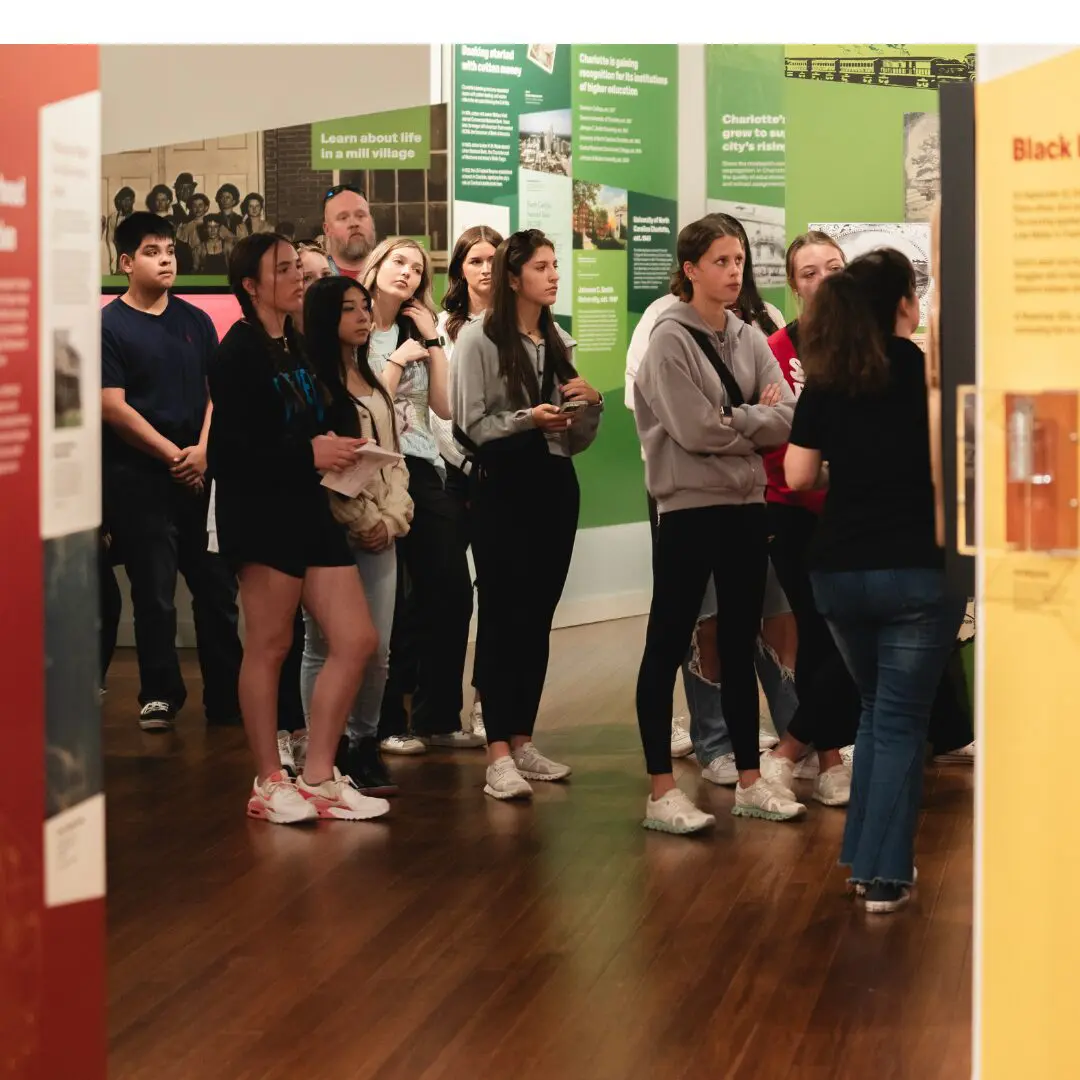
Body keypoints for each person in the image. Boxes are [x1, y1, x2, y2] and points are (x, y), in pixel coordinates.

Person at [785, 247, 966, 912]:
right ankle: (887, 878)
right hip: (919, 569)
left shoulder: (828, 377)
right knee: (896, 722)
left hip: (837, 572)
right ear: (905, 306)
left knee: (874, 714)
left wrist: (852, 477)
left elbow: (801, 476)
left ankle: (864, 860)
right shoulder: (929, 375)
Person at [207, 230, 389, 824]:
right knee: (270, 644)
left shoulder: (301, 346)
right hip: (260, 514)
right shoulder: (235, 353)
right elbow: (231, 453)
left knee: (357, 639)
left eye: (296, 267)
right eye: (284, 270)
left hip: (309, 509)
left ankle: (318, 776)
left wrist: (345, 446)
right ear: (251, 286)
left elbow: (323, 416)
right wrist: (309, 453)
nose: (297, 276)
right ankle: (267, 779)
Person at [633, 214, 801, 834]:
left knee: (739, 640)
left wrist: (740, 419)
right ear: (691, 269)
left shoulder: (750, 335)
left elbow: (790, 417)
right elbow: (695, 430)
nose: (734, 272)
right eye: (722, 262)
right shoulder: (669, 340)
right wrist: (754, 422)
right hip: (688, 509)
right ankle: (660, 790)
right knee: (669, 639)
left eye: (739, 261)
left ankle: (752, 782)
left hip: (746, 508)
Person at [452, 228, 603, 800]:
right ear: (515, 277)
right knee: (501, 613)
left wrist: (591, 406)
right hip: (502, 486)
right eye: (542, 267)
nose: (554, 275)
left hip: (554, 485)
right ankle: (496, 752)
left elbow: (578, 438)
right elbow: (471, 424)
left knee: (538, 615)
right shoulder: (478, 340)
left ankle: (522, 737)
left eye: (556, 266)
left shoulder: (558, 338)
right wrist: (526, 420)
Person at [100, 212, 242, 732]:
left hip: (200, 475)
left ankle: (227, 698)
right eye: (152, 252)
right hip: (138, 479)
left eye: (169, 251)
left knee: (216, 590)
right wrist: (172, 455)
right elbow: (112, 407)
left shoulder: (196, 320)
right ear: (125, 262)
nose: (165, 260)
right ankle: (159, 692)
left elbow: (215, 393)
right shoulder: (109, 325)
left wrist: (202, 450)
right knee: (154, 592)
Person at [361, 238, 481, 754]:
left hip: (423, 464)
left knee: (452, 588)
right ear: (376, 266)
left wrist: (431, 344)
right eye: (398, 263)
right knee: (386, 601)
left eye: (416, 268)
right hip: (372, 466)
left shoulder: (417, 327)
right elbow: (362, 404)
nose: (407, 273)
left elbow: (445, 407)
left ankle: (437, 716)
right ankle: (384, 722)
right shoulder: (354, 324)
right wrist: (395, 362)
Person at [298, 276, 413, 795]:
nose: (364, 317)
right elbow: (330, 470)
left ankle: (364, 741)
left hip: (383, 530)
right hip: (330, 530)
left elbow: (395, 463)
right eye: (350, 310)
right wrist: (363, 519)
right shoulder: (315, 383)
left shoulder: (374, 379)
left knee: (379, 646)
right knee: (323, 645)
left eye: (366, 308)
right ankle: (327, 746)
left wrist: (391, 519)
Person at [759, 232, 859, 807]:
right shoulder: (776, 348)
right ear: (794, 284)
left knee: (843, 639)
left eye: (834, 268)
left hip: (853, 519)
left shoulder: (864, 347)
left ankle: (799, 751)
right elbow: (778, 444)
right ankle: (823, 758)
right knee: (821, 636)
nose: (823, 280)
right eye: (810, 272)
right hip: (792, 513)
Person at [433, 224, 504, 742]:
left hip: (504, 472)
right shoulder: (441, 326)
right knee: (451, 594)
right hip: (453, 473)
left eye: (494, 259)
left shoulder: (517, 323)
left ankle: (488, 704)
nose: (485, 268)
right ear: (460, 267)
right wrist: (464, 458)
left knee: (499, 592)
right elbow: (441, 407)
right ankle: (438, 711)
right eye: (475, 259)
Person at [323, 184, 377, 278]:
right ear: (327, 229)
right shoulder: (314, 279)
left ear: (372, 222)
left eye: (360, 215)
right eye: (343, 218)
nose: (354, 223)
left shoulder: (394, 276)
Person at [105, 187, 136, 274]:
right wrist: (113, 262)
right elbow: (110, 240)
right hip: (118, 256)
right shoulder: (113, 218)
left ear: (133, 201)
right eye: (124, 200)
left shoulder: (138, 217)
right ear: (119, 202)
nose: (126, 203)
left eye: (129, 200)